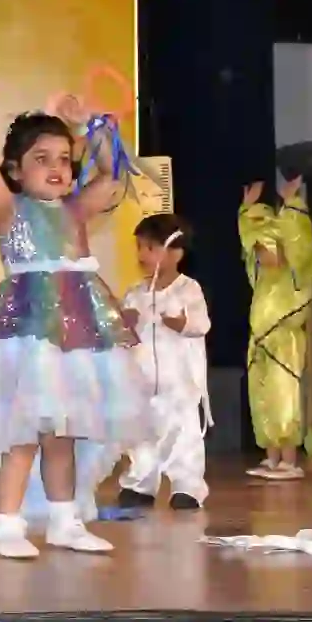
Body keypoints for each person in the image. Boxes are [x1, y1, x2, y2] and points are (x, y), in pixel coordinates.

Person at [0, 96, 152, 558]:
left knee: (62, 434)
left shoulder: (75, 210)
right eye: (41, 159)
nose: (56, 168)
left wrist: (91, 125)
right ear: (16, 170)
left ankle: (65, 521)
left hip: (74, 334)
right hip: (28, 335)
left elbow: (113, 174)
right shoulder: (10, 210)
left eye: (63, 158)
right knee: (21, 435)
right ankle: (6, 524)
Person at [118, 214, 212, 508]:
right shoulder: (135, 293)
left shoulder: (188, 289)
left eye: (150, 247)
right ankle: (140, 485)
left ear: (176, 253)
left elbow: (201, 324)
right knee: (141, 437)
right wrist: (124, 324)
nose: (142, 255)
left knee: (183, 436)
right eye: (139, 247)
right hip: (142, 383)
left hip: (179, 384)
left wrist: (182, 323)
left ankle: (187, 487)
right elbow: (123, 336)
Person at [239, 177, 312, 479]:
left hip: (284, 339)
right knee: (262, 398)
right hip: (260, 341)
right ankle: (271, 458)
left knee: (284, 398)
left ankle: (289, 461)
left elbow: (298, 237)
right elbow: (247, 235)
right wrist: (246, 209)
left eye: (266, 247)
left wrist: (291, 203)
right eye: (258, 249)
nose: (261, 254)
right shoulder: (261, 279)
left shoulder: (293, 274)